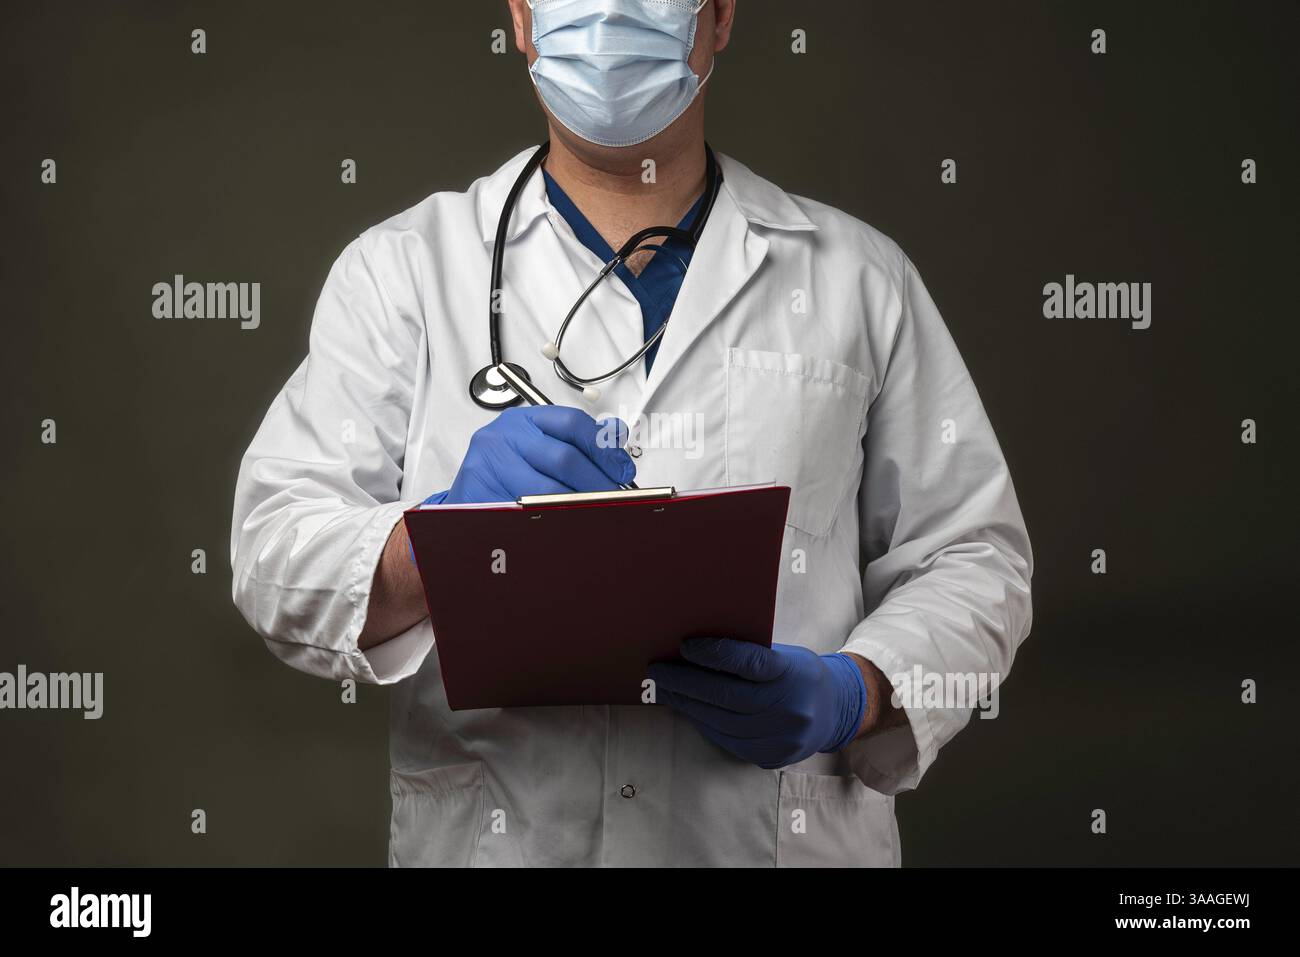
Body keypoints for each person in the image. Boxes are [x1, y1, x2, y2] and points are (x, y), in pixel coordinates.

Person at [231, 0, 1033, 867]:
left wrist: (856, 691)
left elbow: (976, 557)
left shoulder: (856, 280)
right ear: (523, 21)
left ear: (719, 16)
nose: (609, 10)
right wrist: (438, 538)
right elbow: (274, 551)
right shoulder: (402, 274)